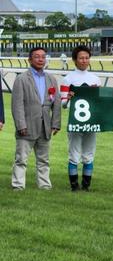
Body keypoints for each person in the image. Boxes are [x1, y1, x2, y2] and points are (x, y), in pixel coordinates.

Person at [61, 45, 113, 191]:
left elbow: (100, 101)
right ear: (75, 60)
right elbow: (63, 104)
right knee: (74, 154)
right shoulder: (67, 79)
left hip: (92, 121)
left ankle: (86, 185)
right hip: (75, 122)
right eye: (81, 58)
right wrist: (68, 98)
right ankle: (74, 185)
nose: (84, 61)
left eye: (86, 58)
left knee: (89, 154)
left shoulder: (95, 79)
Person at [11, 47, 61, 190]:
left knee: (44, 160)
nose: (41, 59)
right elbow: (17, 105)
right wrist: (21, 125)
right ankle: (18, 186)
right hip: (26, 127)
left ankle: (45, 185)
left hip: (45, 127)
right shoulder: (21, 79)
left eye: (43, 57)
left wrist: (55, 124)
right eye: (37, 57)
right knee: (21, 159)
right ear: (30, 59)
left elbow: (56, 102)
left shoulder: (51, 79)